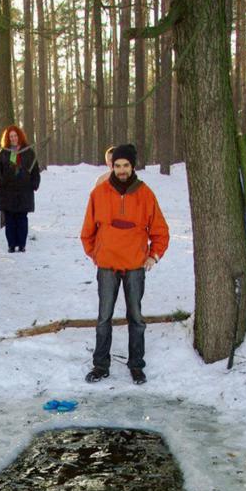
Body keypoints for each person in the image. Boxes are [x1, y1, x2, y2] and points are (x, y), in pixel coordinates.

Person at [81, 143, 169, 385]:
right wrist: (97, 254)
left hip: (134, 266)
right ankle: (100, 365)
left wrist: (154, 256)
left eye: (126, 165)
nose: (121, 170)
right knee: (104, 318)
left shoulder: (145, 194)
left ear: (133, 166)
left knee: (136, 318)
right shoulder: (99, 194)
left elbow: (161, 232)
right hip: (107, 266)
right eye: (117, 165)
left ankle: (136, 365)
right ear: (112, 166)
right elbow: (87, 232)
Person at [0, 125, 40, 253]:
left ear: (19, 136)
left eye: (15, 136)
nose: (13, 139)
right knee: (9, 219)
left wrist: (34, 183)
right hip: (7, 191)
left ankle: (21, 244)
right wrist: (0, 182)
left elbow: (35, 170)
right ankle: (11, 244)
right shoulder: (4, 153)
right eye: (11, 137)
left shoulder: (28, 152)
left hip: (24, 191)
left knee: (21, 218)